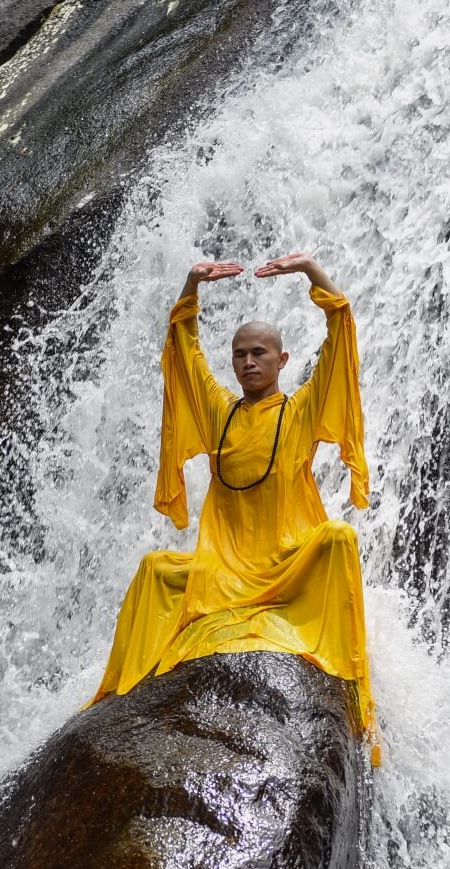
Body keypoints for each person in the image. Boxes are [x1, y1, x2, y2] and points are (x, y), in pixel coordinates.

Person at [88, 251, 379, 765]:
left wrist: (311, 271)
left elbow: (340, 333)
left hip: (286, 562)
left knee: (339, 539)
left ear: (281, 361)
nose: (248, 362)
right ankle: (118, 696)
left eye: (259, 353)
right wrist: (190, 285)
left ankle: (351, 686)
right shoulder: (220, 413)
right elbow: (185, 352)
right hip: (223, 571)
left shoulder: (301, 409)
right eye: (240, 354)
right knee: (155, 569)